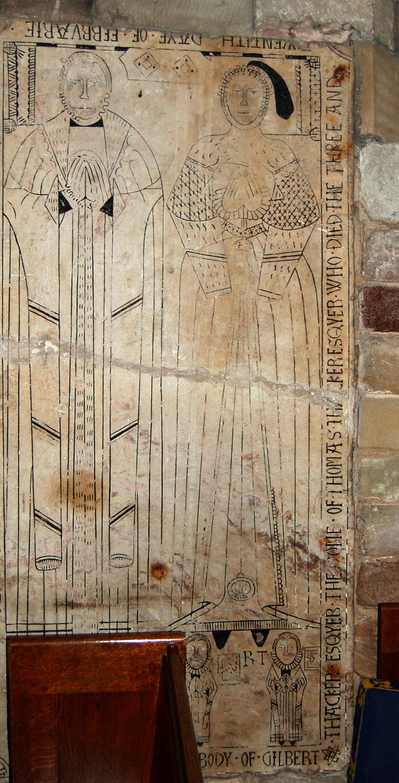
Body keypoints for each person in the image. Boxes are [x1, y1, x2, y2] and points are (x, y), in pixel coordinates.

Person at [3, 51, 164, 632]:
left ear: (109, 88)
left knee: (119, 424)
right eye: (73, 82)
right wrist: (66, 206)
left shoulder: (127, 142)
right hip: (58, 306)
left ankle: (118, 546)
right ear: (62, 88)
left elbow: (150, 199)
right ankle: (49, 549)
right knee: (52, 422)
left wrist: (109, 205)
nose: (84, 90)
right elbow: (17, 200)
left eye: (95, 82)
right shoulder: (40, 144)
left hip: (110, 307)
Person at [168, 62, 321, 639]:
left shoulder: (282, 160)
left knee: (267, 442)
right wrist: (217, 276)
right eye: (234, 94)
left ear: (265, 102)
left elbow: (299, 219)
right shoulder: (205, 154)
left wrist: (267, 281)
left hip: (264, 307)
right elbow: (186, 213)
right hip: (219, 304)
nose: (244, 102)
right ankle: (208, 586)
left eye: (254, 94)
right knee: (213, 440)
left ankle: (276, 587)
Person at [266, 632, 307, 745]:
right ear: (276, 651)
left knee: (293, 723)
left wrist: (296, 688)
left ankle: (293, 739)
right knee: (279, 723)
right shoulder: (274, 669)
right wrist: (276, 688)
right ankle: (280, 738)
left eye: (291, 648)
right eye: (282, 648)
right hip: (279, 702)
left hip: (293, 703)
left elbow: (303, 684)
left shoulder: (297, 669)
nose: (286, 652)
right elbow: (269, 685)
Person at [186, 633, 218, 744]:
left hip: (202, 706)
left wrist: (208, 707)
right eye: (191, 649)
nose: (196, 655)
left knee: (202, 729)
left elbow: (213, 690)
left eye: (201, 650)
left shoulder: (207, 675)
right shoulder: (183, 673)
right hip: (188, 705)